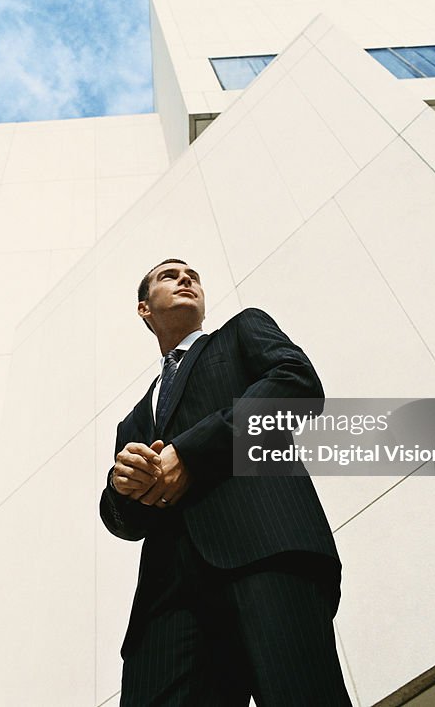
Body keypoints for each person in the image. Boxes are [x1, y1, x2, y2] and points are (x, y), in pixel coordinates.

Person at [100, 259, 350, 706]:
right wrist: (121, 488)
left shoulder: (241, 332)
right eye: (168, 275)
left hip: (265, 551)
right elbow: (127, 522)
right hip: (167, 600)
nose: (185, 278)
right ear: (144, 309)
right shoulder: (133, 419)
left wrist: (191, 454)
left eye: (192, 274)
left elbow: (296, 384)